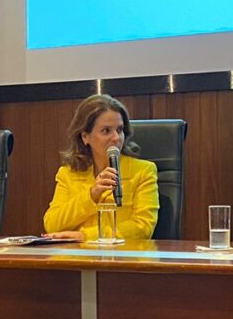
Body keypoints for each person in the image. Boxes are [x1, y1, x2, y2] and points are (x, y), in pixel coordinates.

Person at [43, 94, 158, 242]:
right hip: (78, 260)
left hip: (124, 259)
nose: (116, 137)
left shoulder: (143, 171)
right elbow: (52, 225)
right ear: (85, 136)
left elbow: (143, 228)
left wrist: (86, 236)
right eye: (106, 131)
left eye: (120, 129)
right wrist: (91, 195)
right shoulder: (68, 173)